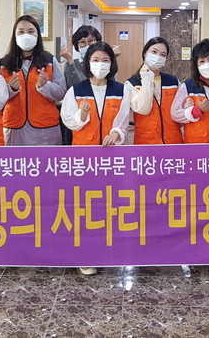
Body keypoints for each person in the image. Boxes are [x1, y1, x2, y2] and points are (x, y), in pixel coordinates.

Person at [60, 41, 130, 276]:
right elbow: (69, 121)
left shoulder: (121, 89)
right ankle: (86, 254)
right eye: (96, 60)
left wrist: (115, 134)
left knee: (110, 205)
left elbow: (123, 120)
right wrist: (82, 115)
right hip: (84, 159)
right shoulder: (76, 90)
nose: (101, 65)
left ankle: (109, 250)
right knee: (84, 207)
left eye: (105, 60)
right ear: (88, 63)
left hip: (112, 158)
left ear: (112, 63)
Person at [0, 15, 66, 146]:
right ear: (15, 35)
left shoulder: (49, 61)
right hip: (14, 126)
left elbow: (61, 93)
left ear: (37, 35)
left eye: (31, 31)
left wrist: (45, 86)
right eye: (21, 32)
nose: (26, 35)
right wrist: (10, 89)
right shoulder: (4, 63)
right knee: (14, 159)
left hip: (45, 128)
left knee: (45, 159)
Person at [126, 37, 183, 144]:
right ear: (145, 53)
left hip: (173, 142)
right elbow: (144, 109)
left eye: (163, 55)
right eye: (154, 52)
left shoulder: (173, 81)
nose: (158, 57)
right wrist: (146, 78)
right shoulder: (131, 84)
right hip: (146, 143)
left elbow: (182, 110)